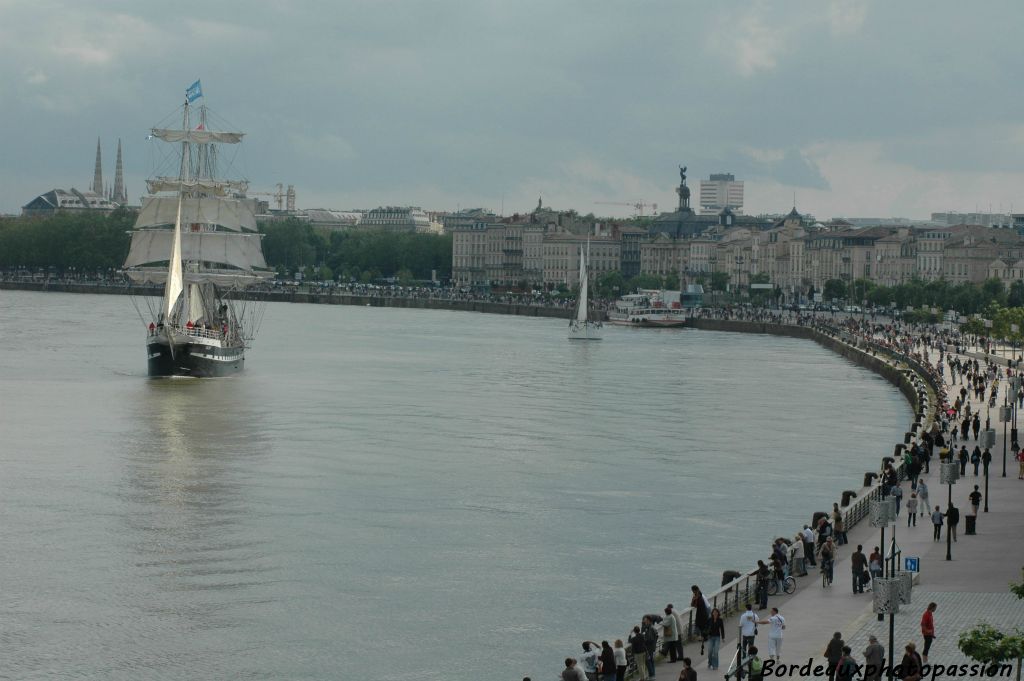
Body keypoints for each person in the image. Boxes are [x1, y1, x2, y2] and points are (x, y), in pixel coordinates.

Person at [690, 585, 710, 653]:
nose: (693, 592)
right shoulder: (700, 596)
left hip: (701, 613)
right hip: (702, 612)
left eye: (693, 591)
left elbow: (694, 605)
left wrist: (693, 600)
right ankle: (703, 636)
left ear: (695, 590)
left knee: (701, 625)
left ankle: (703, 636)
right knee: (702, 625)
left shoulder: (699, 597)